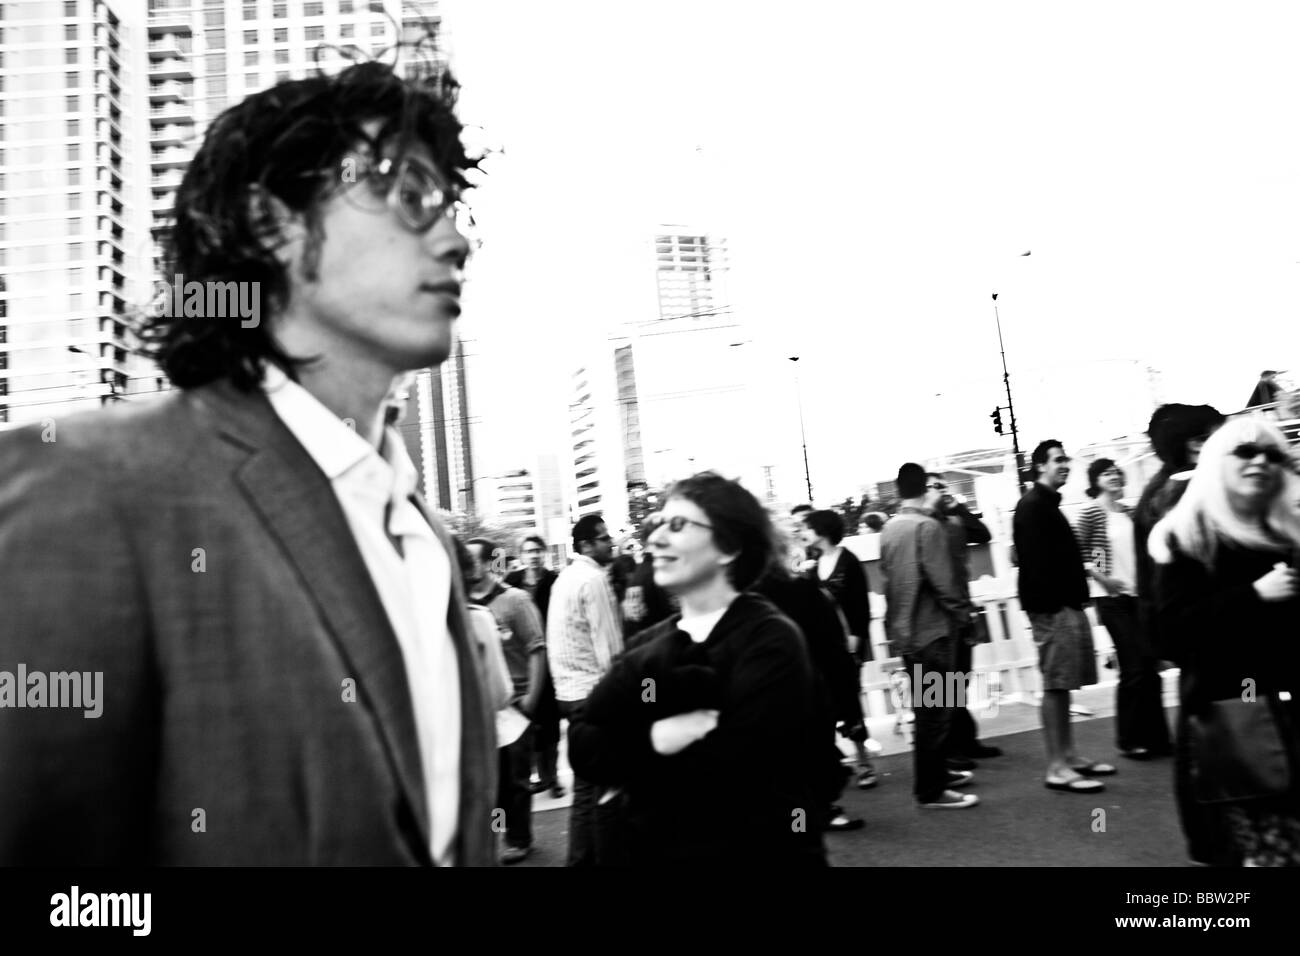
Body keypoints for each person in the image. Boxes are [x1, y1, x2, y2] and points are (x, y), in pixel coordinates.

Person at [0, 59, 498, 865]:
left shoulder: (421, 536)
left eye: (452, 205)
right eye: (409, 194)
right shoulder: (89, 490)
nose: (456, 238)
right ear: (273, 226)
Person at [567, 472, 827, 865]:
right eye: (658, 524)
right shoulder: (646, 647)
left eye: (677, 525)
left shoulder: (769, 638)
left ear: (728, 547)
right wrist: (656, 737)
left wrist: (626, 758)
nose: (655, 539)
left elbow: (732, 768)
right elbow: (583, 743)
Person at [1150, 417, 1300, 866]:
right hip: (1237, 725)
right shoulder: (1189, 537)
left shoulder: (1285, 534)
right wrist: (1253, 596)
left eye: (1273, 454)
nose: (1261, 462)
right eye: (1246, 452)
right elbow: (1169, 635)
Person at [1014, 440, 1115, 794]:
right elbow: (1034, 564)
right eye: (1058, 460)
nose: (1065, 465)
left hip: (1061, 606)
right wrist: (1058, 606)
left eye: (1066, 459)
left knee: (1063, 684)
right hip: (1052, 609)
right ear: (1040, 466)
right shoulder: (1032, 507)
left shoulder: (1045, 505)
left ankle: (1068, 756)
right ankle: (1057, 766)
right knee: (1056, 685)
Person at [879, 463, 980, 810]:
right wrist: (965, 613)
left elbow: (888, 578)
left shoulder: (890, 528)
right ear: (925, 487)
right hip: (935, 631)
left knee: (928, 711)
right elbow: (945, 584)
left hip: (907, 633)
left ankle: (936, 776)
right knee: (937, 712)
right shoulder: (928, 526)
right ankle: (931, 789)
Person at [1072, 459, 1168, 760]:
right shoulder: (1092, 512)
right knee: (1134, 667)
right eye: (1105, 473)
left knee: (1150, 668)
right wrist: (1104, 579)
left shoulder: (1127, 512)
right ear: (1095, 480)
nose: (1113, 476)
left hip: (1139, 596)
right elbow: (1083, 553)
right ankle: (1129, 738)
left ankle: (1158, 737)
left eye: (1115, 472)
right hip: (1112, 598)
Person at [546, 513, 624, 866]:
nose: (611, 543)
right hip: (593, 693)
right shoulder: (592, 579)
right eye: (604, 538)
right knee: (604, 792)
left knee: (584, 790)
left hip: (569, 693)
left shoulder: (565, 577)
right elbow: (609, 647)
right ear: (586, 545)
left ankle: (580, 860)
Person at [466, 538, 547, 864]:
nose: (465, 566)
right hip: (481, 708)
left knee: (514, 781)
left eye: (471, 559)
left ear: (488, 563)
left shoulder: (515, 601)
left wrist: (530, 699)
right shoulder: (460, 605)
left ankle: (519, 839)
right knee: (491, 782)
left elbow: (537, 649)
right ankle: (498, 834)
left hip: (514, 705)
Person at [798, 508, 881, 789]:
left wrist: (857, 638)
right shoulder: (810, 561)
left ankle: (863, 763)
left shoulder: (848, 561)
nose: (803, 532)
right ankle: (834, 763)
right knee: (822, 704)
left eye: (807, 527)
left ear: (822, 530)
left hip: (845, 644)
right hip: (817, 646)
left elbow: (861, 604)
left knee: (849, 701)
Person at [926, 473, 1001, 763]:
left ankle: (965, 742)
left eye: (942, 486)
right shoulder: (921, 526)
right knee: (940, 685)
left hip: (960, 608)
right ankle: (948, 750)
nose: (939, 492)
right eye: (933, 486)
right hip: (936, 615)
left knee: (960, 678)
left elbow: (982, 533)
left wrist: (957, 505)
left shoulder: (954, 523)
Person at [505, 535, 564, 799]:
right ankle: (530, 776)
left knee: (549, 724)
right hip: (520, 662)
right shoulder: (512, 583)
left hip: (550, 660)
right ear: (521, 555)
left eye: (538, 550)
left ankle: (551, 778)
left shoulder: (555, 582)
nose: (534, 556)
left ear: (544, 554)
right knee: (524, 723)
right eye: (529, 551)